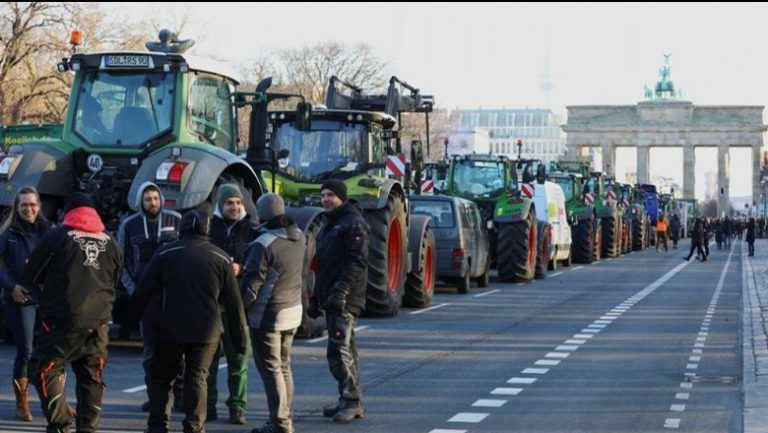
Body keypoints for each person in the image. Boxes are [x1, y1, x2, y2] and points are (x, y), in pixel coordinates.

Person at [130, 209, 248, 433]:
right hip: (207, 330)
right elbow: (234, 303)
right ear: (207, 228)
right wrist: (240, 338)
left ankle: (157, 425)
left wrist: (129, 322)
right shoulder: (221, 257)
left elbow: (143, 291)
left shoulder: (166, 253)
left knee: (162, 377)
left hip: (170, 326)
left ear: (181, 228)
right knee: (197, 377)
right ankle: (194, 426)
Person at [25, 193, 123, 433]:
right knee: (92, 376)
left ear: (67, 213)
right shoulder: (110, 241)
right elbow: (116, 279)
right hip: (99, 322)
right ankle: (88, 428)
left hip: (62, 320)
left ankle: (60, 424)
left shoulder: (58, 236)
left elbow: (32, 273)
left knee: (43, 369)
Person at [241, 193, 305, 433]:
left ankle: (279, 422)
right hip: (293, 311)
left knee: (271, 369)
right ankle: (285, 416)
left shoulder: (264, 243)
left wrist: (238, 308)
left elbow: (252, 285)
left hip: (268, 315)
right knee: (284, 366)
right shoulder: (298, 236)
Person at [117, 182, 183, 412]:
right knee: (151, 350)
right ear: (140, 202)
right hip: (146, 298)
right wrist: (135, 291)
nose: (152, 203)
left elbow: (187, 252)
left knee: (178, 346)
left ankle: (180, 395)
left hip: (174, 296)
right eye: (148, 199)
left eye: (156, 198)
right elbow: (121, 263)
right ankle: (155, 395)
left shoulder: (176, 220)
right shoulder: (129, 225)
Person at [311, 179, 369, 424]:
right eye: (323, 195)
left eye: (330, 195)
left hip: (344, 299)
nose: (325, 199)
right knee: (347, 350)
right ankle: (348, 399)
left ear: (341, 198)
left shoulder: (352, 223)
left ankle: (351, 400)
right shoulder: (330, 223)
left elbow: (357, 262)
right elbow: (323, 266)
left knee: (338, 351)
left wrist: (341, 292)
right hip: (331, 296)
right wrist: (316, 297)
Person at [207, 184, 258, 424]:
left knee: (238, 359)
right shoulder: (208, 229)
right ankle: (207, 405)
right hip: (211, 306)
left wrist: (243, 268)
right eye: (230, 203)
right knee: (208, 361)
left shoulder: (251, 230)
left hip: (237, 306)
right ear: (220, 205)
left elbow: (259, 264)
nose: (235, 207)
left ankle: (237, 407)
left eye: (238, 203)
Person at [0, 187, 53, 421]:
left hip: (46, 299)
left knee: (51, 352)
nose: (29, 209)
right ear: (17, 207)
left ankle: (54, 402)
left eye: (32, 204)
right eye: (24, 205)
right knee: (27, 351)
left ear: (39, 205)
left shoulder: (50, 231)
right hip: (20, 299)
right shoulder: (8, 233)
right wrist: (11, 287)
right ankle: (22, 404)